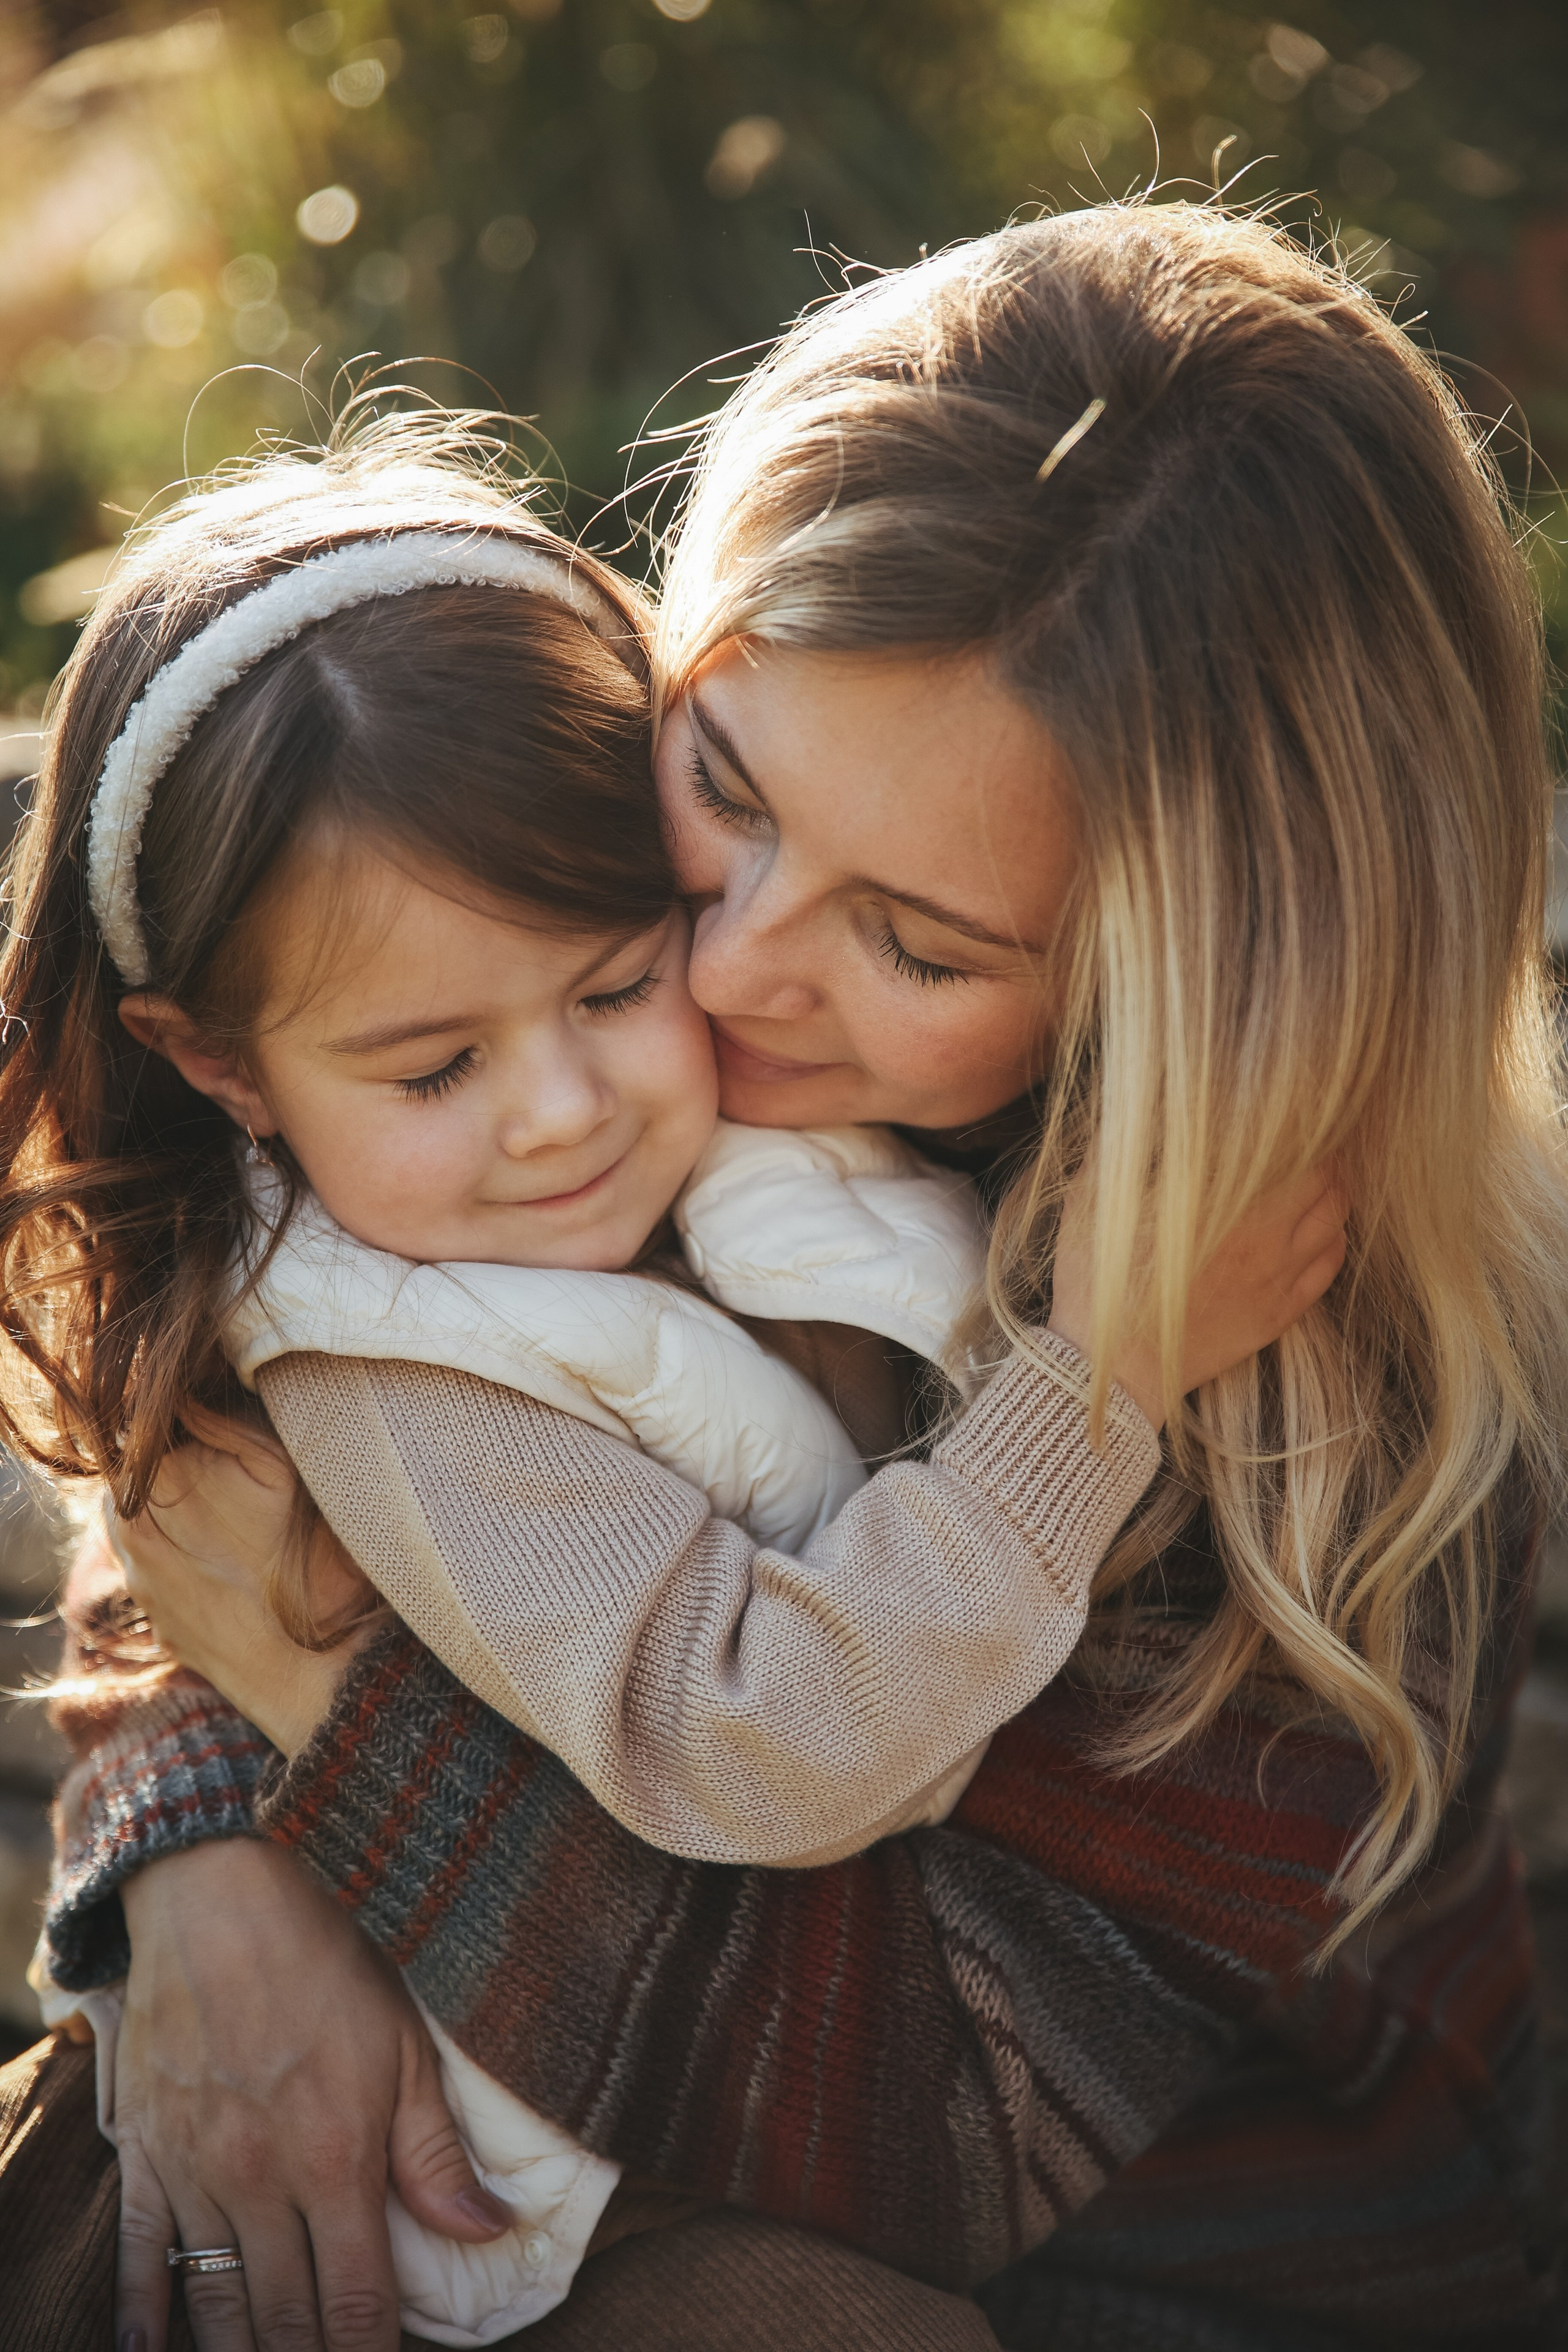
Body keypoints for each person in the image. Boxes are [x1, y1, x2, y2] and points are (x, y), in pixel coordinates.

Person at [4, 196, 1565, 2352]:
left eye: (918, 944)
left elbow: (922, 2129)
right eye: (721, 785)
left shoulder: (1294, 1380)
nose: (721, 968)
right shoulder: (576, 961)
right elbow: (262, 1440)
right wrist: (194, 1853)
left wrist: (315, 1724)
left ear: (1200, 991)